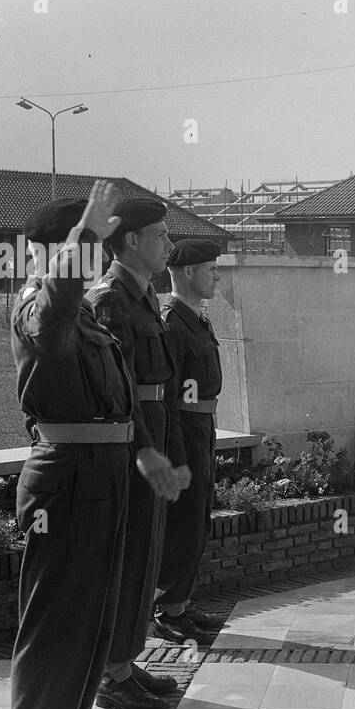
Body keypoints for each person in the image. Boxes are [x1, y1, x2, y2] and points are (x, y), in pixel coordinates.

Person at [10, 184, 182, 709]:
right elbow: (54, 310)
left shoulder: (85, 317)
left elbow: (121, 402)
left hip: (103, 477)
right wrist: (86, 235)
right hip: (67, 481)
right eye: (79, 251)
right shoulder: (38, 305)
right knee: (56, 624)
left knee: (90, 619)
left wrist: (145, 454)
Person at [86, 198, 190, 709]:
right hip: (132, 449)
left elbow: (161, 385)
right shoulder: (111, 300)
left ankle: (125, 662)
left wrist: (171, 449)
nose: (169, 246)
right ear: (131, 241)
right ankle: (111, 672)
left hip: (155, 436)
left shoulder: (143, 297)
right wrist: (148, 452)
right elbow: (122, 389)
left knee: (146, 556)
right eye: (161, 237)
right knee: (128, 561)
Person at [155, 239, 227, 642]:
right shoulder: (172, 323)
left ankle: (180, 604)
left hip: (202, 427)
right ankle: (166, 610)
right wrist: (177, 453)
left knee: (197, 518)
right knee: (182, 521)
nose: (216, 276)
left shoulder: (197, 318)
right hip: (184, 429)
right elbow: (168, 396)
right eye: (210, 269)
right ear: (186, 273)